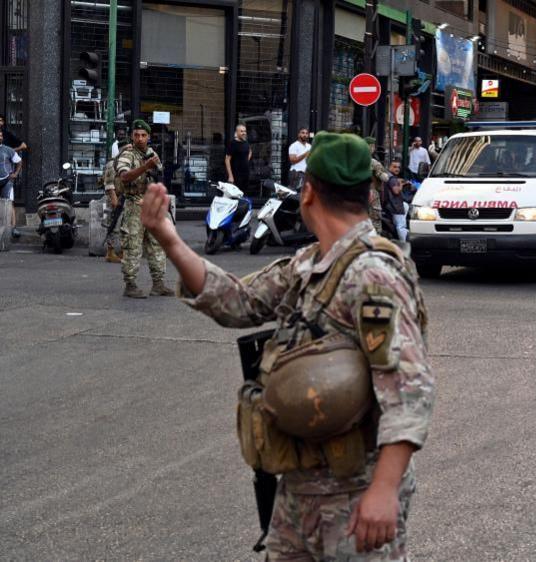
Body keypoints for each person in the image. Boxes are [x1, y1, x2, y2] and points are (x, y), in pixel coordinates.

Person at [137, 132, 434, 559]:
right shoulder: (310, 263)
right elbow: (239, 302)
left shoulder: (373, 274)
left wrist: (384, 490)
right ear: (367, 193)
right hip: (298, 491)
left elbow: (410, 390)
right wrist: (169, 238)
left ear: (308, 191)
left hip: (354, 495)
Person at [116, 119, 170, 299]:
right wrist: (145, 167)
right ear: (132, 136)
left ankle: (159, 284)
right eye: (136, 135)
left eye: (143, 135)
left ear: (148, 137)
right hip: (134, 205)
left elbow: (160, 175)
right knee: (133, 246)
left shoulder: (152, 153)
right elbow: (124, 177)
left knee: (157, 245)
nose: (140, 138)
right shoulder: (127, 154)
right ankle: (130, 285)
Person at [384, 160, 409, 242]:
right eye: (394, 167)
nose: (397, 169)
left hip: (392, 206)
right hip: (395, 206)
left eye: (398, 167)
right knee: (401, 227)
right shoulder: (392, 178)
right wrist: (401, 184)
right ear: (389, 167)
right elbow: (396, 191)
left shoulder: (389, 176)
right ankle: (405, 244)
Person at [368, 137, 389, 235]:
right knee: (376, 220)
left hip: (357, 195)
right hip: (372, 193)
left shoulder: (354, 161)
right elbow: (385, 178)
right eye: (372, 146)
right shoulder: (373, 162)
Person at [225, 124, 252, 191]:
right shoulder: (233, 144)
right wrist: (230, 176)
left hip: (245, 174)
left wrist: (245, 161)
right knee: (235, 195)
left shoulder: (246, 142)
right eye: (241, 131)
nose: (244, 133)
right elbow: (227, 160)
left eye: (245, 131)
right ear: (237, 132)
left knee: (244, 194)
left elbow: (250, 151)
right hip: (236, 174)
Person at [0, 131, 22, 201]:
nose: (0, 138)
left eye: (1, 136)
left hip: (7, 180)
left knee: (9, 203)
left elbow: (19, 161)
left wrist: (15, 174)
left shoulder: (8, 150)